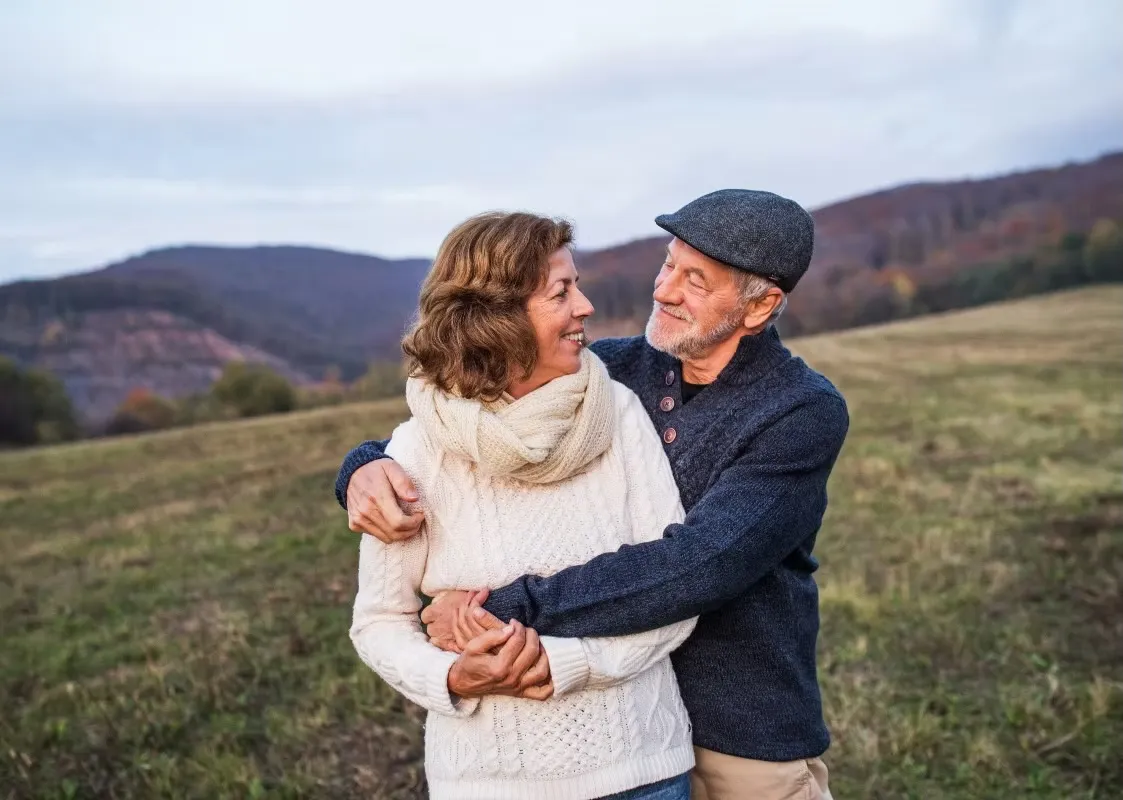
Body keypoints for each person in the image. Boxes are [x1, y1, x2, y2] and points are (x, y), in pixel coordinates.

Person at [340, 190, 850, 800]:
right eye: (668, 264)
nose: (663, 290)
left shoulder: (798, 410)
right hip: (628, 726)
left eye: (695, 280)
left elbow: (703, 563)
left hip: (736, 727)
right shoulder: (610, 373)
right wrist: (363, 468)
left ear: (759, 305)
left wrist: (500, 608)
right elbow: (472, 417)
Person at [348, 210, 697, 800]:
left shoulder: (619, 414)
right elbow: (379, 623)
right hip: (488, 782)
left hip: (641, 771)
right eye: (562, 292)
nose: (585, 305)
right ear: (498, 319)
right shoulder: (416, 448)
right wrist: (454, 674)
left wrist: (565, 664)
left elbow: (678, 588)